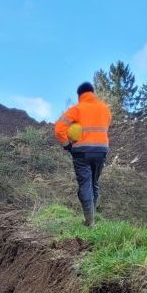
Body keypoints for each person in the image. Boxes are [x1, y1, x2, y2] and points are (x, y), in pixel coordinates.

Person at [54, 82, 112, 226]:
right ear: (92, 92)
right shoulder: (105, 109)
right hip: (101, 151)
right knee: (94, 183)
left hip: (81, 153)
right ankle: (92, 218)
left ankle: (89, 222)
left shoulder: (77, 109)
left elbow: (59, 128)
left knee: (86, 185)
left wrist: (67, 145)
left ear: (80, 95)